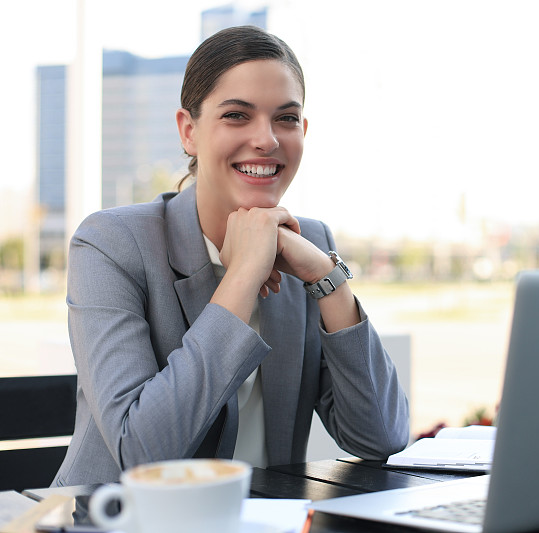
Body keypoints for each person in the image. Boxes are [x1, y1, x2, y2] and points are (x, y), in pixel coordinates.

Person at [53, 26, 409, 486]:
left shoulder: (310, 244)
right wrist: (242, 276)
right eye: (237, 116)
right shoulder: (112, 242)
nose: (266, 140)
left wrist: (327, 277)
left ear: (303, 131)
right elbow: (141, 454)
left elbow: (380, 436)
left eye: (285, 118)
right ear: (189, 131)